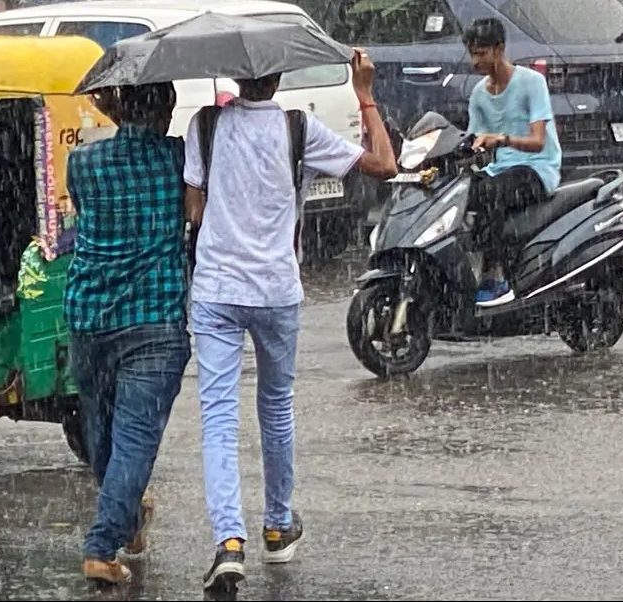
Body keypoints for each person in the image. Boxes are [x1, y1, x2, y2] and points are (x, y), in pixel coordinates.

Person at [183, 50, 397, 591]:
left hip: (216, 291)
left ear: (235, 74)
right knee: (275, 408)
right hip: (276, 290)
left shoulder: (204, 125)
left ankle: (229, 542)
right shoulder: (299, 128)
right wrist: (364, 93)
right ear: (279, 76)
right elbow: (385, 165)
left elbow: (194, 211)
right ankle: (278, 527)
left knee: (218, 416)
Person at [64, 82, 191, 585]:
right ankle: (101, 545)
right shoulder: (177, 158)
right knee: (135, 438)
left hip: (90, 312)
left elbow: (84, 206)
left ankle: (129, 522)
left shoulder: (84, 162)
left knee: (102, 432)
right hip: (154, 317)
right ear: (166, 110)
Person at [464, 17, 562, 306]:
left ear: (500, 49)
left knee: (493, 193)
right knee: (458, 194)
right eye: (472, 54)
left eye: (481, 53)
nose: (476, 60)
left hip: (537, 168)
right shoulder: (479, 94)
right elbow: (473, 140)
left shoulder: (532, 82)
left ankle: (494, 276)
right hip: (499, 170)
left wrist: (502, 139)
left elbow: (538, 141)